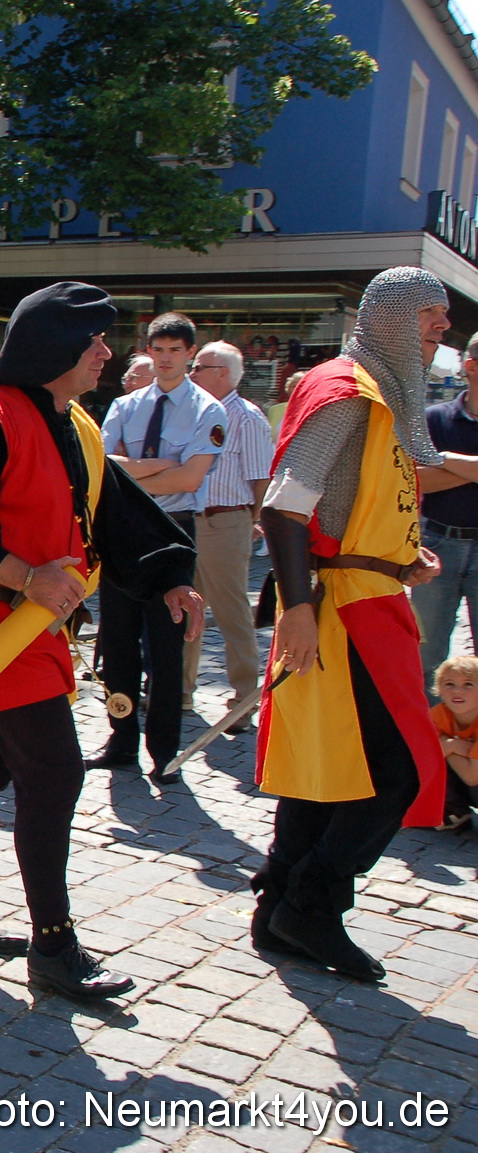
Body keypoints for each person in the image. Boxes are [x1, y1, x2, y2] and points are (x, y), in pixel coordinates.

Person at [0, 280, 202, 1000]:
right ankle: (54, 946)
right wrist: (27, 576)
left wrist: (169, 575)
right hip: (0, 629)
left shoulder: (75, 422)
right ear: (59, 348)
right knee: (56, 774)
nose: (108, 352)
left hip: (31, 627)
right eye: (96, 340)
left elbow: (116, 512)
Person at [254, 266, 451, 982]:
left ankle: (278, 903)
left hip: (364, 592)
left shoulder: (367, 393)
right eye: (431, 313)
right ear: (391, 316)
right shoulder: (348, 393)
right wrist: (298, 605)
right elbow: (283, 507)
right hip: (339, 611)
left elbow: (342, 510)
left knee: (324, 766)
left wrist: (399, 560)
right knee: (398, 769)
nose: (442, 327)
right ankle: (311, 902)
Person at [87, 313, 224, 779]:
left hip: (172, 530)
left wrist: (137, 467)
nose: (165, 360)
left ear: (190, 354)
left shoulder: (208, 409)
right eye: (158, 350)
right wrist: (159, 464)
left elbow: (190, 477)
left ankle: (164, 751)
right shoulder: (126, 406)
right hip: (124, 528)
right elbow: (104, 467)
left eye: (175, 351)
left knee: (166, 646)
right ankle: (120, 738)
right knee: (118, 642)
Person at [180, 341, 272, 727]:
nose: (191, 372)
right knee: (184, 611)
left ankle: (243, 697)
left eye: (199, 366)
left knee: (232, 613)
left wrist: (249, 522)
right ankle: (180, 692)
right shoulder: (193, 410)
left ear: (223, 374)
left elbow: (261, 479)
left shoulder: (248, 418)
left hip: (225, 523)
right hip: (186, 520)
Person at [413, 332, 478, 693]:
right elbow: (416, 480)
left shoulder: (439, 434)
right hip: (438, 544)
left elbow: (431, 471)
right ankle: (431, 741)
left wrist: (448, 460)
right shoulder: (435, 419)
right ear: (471, 366)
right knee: (428, 656)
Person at [430, 655, 478, 832]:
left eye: (468, 684)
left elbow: (472, 777)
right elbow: (424, 760)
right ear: (439, 690)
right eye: (450, 684)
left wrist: (446, 745)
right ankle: (455, 812)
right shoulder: (437, 715)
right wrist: (454, 746)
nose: (458, 691)